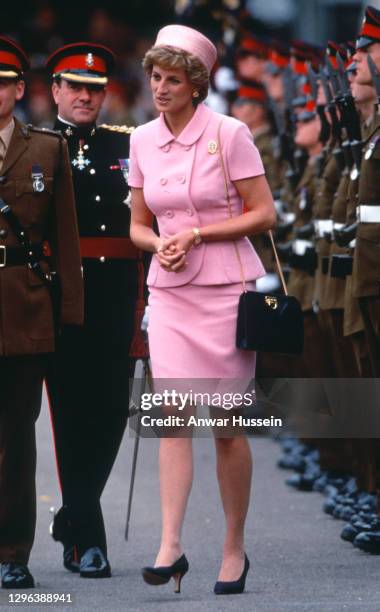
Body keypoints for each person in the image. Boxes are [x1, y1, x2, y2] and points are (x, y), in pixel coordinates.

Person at [129, 25, 275, 595]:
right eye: (155, 77)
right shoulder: (141, 139)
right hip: (169, 293)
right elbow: (137, 223)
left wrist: (197, 233)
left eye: (172, 79)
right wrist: (157, 243)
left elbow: (263, 214)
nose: (160, 88)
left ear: (195, 84)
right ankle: (170, 545)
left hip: (225, 292)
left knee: (227, 427)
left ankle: (234, 548)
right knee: (172, 417)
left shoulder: (230, 133)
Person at [44, 43, 139, 578]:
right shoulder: (38, 145)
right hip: (60, 293)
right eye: (75, 87)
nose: (85, 97)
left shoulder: (129, 145)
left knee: (108, 412)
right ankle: (86, 539)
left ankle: (73, 515)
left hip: (117, 292)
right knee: (69, 412)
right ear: (54, 90)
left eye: (94, 89)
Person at [0, 36, 83, 589]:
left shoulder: (47, 150)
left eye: (4, 82)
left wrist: (70, 313)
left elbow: (66, 239)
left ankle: (13, 550)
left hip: (23, 310)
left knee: (16, 436)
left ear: (20, 89)